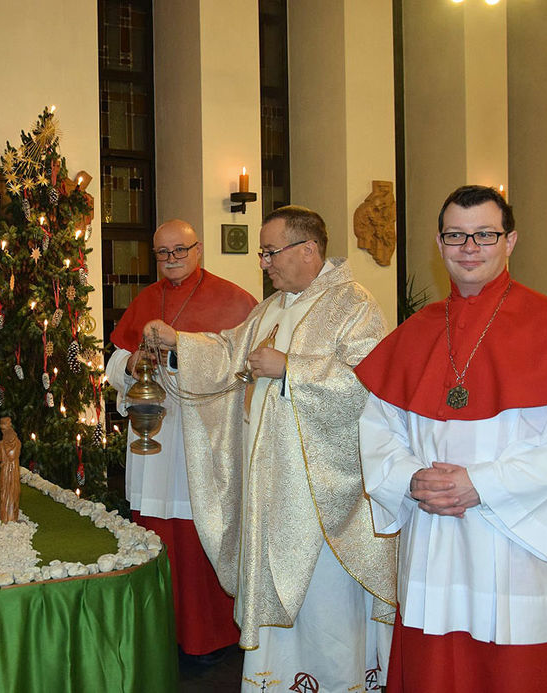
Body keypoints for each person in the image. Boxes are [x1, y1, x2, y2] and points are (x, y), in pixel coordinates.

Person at [354, 185, 547, 693]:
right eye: (456, 235)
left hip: (518, 538)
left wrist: (482, 485)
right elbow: (379, 427)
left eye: (484, 234)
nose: (470, 247)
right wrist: (412, 478)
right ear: (439, 245)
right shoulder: (414, 334)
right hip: (434, 531)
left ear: (510, 241)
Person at [142, 206, 397, 692]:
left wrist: (292, 368)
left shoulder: (353, 304)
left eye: (270, 251)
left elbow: (371, 383)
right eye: (262, 252)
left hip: (319, 494)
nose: (263, 262)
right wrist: (178, 343)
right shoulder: (273, 306)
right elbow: (228, 353)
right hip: (271, 484)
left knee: (322, 600)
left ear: (308, 250)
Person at [107, 219, 257, 660]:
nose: (171, 259)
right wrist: (133, 364)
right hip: (152, 431)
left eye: (179, 250)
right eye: (162, 253)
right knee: (154, 526)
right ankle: (161, 633)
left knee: (199, 529)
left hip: (202, 435)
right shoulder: (147, 298)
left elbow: (238, 363)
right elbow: (116, 357)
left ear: (199, 249)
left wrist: (177, 349)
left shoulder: (233, 299)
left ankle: (209, 635)